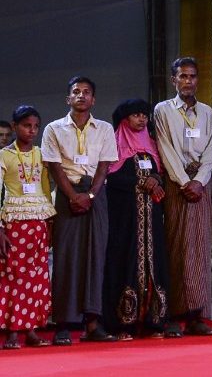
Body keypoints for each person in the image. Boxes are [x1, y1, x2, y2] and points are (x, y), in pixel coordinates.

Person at [41, 76, 118, 344]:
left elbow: (105, 165)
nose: (81, 96)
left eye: (87, 92)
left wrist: (92, 195)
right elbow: (54, 167)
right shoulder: (53, 128)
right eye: (76, 92)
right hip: (66, 195)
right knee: (65, 258)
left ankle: (93, 324)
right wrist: (74, 196)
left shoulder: (105, 128)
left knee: (96, 259)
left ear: (94, 99)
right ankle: (64, 324)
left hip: (96, 195)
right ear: (68, 99)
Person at [153, 57, 212, 337]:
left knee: (201, 247)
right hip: (176, 184)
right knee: (176, 246)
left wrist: (200, 181)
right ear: (173, 80)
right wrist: (183, 182)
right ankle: (175, 314)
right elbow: (165, 148)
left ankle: (197, 316)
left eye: (192, 76)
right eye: (182, 76)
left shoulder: (208, 113)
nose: (188, 81)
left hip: (202, 186)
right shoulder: (163, 111)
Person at [102, 99, 169, 340]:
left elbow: (160, 175)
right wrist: (142, 182)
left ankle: (154, 322)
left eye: (144, 115)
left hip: (151, 220)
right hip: (125, 220)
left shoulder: (151, 146)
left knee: (154, 263)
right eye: (136, 115)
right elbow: (109, 180)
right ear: (124, 120)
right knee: (124, 261)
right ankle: (123, 324)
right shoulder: (114, 146)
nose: (142, 119)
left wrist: (156, 181)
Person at [0, 106, 55, 349]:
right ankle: (12, 331)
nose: (31, 131)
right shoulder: (3, 156)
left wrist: (50, 221)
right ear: (14, 127)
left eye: (35, 126)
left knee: (37, 277)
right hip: (13, 221)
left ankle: (31, 330)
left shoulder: (41, 154)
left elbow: (45, 187)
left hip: (39, 221)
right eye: (26, 126)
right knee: (14, 276)